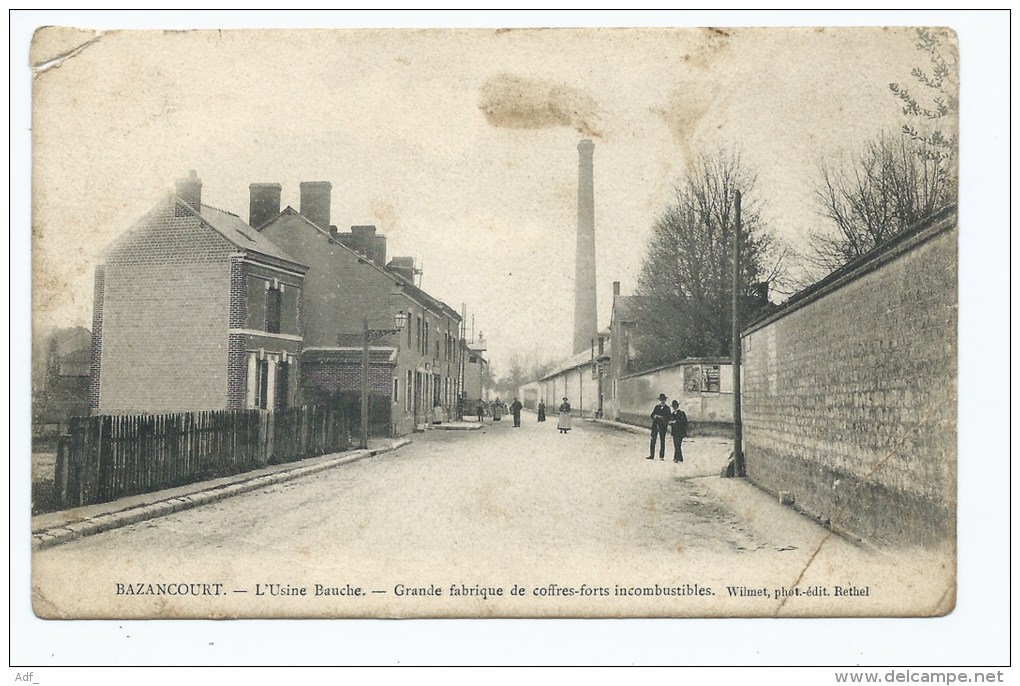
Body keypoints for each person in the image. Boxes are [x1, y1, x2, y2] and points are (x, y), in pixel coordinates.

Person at [647, 393, 671, 461]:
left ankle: (661, 456)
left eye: (663, 400)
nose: (662, 401)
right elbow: (652, 415)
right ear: (660, 400)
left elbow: (669, 418)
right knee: (653, 440)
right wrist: (655, 416)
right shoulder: (657, 407)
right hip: (655, 425)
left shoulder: (667, 408)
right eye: (661, 400)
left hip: (663, 426)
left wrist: (662, 418)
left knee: (662, 440)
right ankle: (652, 455)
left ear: (665, 400)